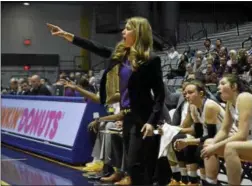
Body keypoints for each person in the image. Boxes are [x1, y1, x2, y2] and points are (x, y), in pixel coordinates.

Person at [47, 17, 165, 185]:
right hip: (127, 118)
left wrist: (152, 121)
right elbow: (97, 47)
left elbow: (159, 94)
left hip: (143, 119)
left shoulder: (151, 60)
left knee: (138, 165)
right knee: (133, 168)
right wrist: (68, 35)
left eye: (128, 28)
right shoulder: (121, 54)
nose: (123, 32)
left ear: (138, 32)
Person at [201, 74, 252, 186]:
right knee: (208, 142)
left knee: (231, 148)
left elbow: (242, 135)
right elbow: (224, 130)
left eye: (223, 84)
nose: (218, 87)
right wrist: (212, 144)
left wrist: (215, 147)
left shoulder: (244, 97)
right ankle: (210, 183)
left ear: (234, 86)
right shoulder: (229, 103)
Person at [171, 80, 226, 186]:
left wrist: (189, 142)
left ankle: (206, 182)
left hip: (224, 138)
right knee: (181, 140)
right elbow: (199, 132)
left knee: (199, 147)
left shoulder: (209, 106)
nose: (187, 96)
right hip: (211, 138)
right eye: (185, 93)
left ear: (201, 93)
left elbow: (211, 135)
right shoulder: (193, 107)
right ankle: (192, 181)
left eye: (190, 92)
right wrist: (187, 140)